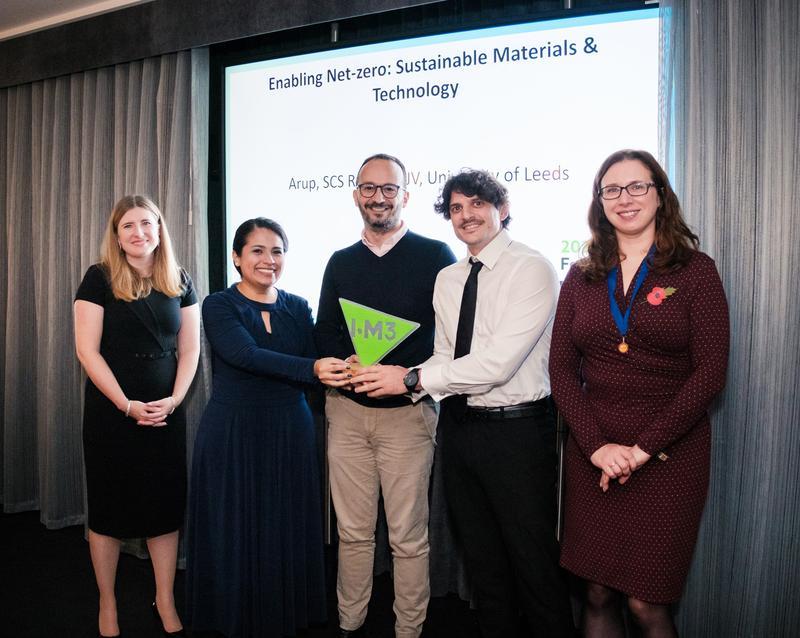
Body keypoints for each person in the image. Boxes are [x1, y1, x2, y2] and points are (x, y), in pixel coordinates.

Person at [354, 169, 574, 637]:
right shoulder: (450, 277)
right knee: (482, 564)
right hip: (458, 427)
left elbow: (496, 365)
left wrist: (410, 379)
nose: (466, 215)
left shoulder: (531, 268)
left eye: (477, 203)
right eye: (456, 208)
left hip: (517, 432)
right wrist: (398, 375)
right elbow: (446, 355)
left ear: (503, 209)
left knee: (533, 566)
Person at [548, 149, 730, 637]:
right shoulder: (581, 275)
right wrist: (598, 447)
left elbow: (710, 374)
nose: (624, 198)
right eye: (611, 189)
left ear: (660, 194)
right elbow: (561, 372)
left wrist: (642, 449)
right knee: (597, 592)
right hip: (594, 452)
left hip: (670, 456)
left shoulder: (695, 271)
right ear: (599, 201)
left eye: (636, 187)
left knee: (647, 604)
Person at [186, 218, 349, 638]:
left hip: (290, 430)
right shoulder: (219, 305)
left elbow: (316, 359)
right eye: (257, 251)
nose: (268, 260)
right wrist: (314, 368)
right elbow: (245, 354)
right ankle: (232, 618)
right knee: (234, 529)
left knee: (285, 528)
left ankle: (282, 616)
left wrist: (348, 362)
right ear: (236, 258)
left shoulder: (298, 305)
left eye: (277, 251)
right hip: (234, 432)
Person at [314, 153, 456, 637]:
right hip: (347, 414)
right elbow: (326, 332)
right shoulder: (339, 261)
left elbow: (452, 340)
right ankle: (349, 624)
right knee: (352, 534)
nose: (379, 197)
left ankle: (408, 630)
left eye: (389, 188)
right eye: (369, 188)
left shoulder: (437, 255)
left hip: (408, 417)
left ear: (406, 196)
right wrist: (345, 363)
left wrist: (407, 374)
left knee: (408, 539)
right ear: (356, 195)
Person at [74, 195, 201, 638]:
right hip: (112, 414)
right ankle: (107, 602)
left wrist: (176, 399)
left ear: (159, 228)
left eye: (146, 224)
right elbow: (86, 351)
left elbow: (190, 349)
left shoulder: (180, 279)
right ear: (117, 234)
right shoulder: (99, 278)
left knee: (163, 509)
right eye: (128, 226)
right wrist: (127, 406)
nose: (139, 233)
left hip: (166, 414)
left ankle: (164, 598)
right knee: (108, 509)